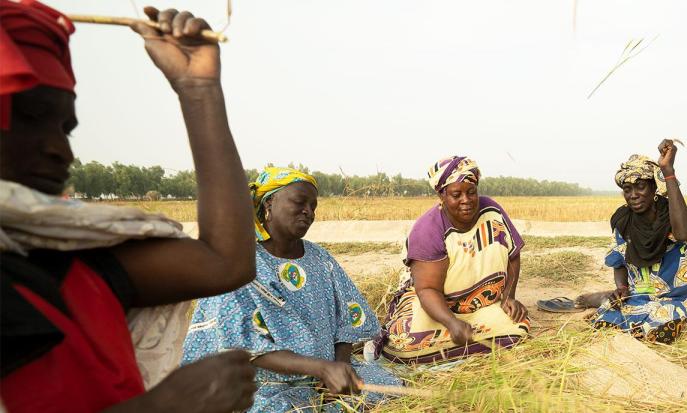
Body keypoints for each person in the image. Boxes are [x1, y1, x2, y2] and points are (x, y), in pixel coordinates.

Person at [1, 3, 256, 412]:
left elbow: (224, 262)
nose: (60, 150)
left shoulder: (72, 265)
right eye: (31, 117)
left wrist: (199, 88)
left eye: (66, 130)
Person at [181, 167, 403, 412]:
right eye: (299, 202)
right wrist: (320, 368)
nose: (308, 211)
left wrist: (339, 369)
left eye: (313, 206)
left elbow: (347, 322)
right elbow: (242, 344)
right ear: (269, 204)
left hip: (325, 380)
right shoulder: (239, 267)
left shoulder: (321, 259)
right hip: (266, 385)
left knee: (388, 387)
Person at [374, 156, 530, 364]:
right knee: (404, 344)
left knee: (517, 326)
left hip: (480, 305)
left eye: (471, 192)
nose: (466, 200)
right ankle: (463, 343)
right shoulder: (427, 230)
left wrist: (509, 296)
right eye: (456, 194)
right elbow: (427, 290)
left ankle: (456, 349)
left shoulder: (492, 213)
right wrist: (451, 323)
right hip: (432, 305)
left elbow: (513, 256)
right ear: (442, 195)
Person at [587, 139, 687, 344]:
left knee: (661, 332)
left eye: (640, 186)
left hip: (671, 300)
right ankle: (603, 298)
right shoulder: (622, 220)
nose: (634, 195)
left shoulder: (671, 215)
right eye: (627, 189)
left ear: (654, 187)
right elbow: (618, 261)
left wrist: (667, 171)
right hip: (636, 299)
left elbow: (682, 234)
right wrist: (621, 287)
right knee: (603, 324)